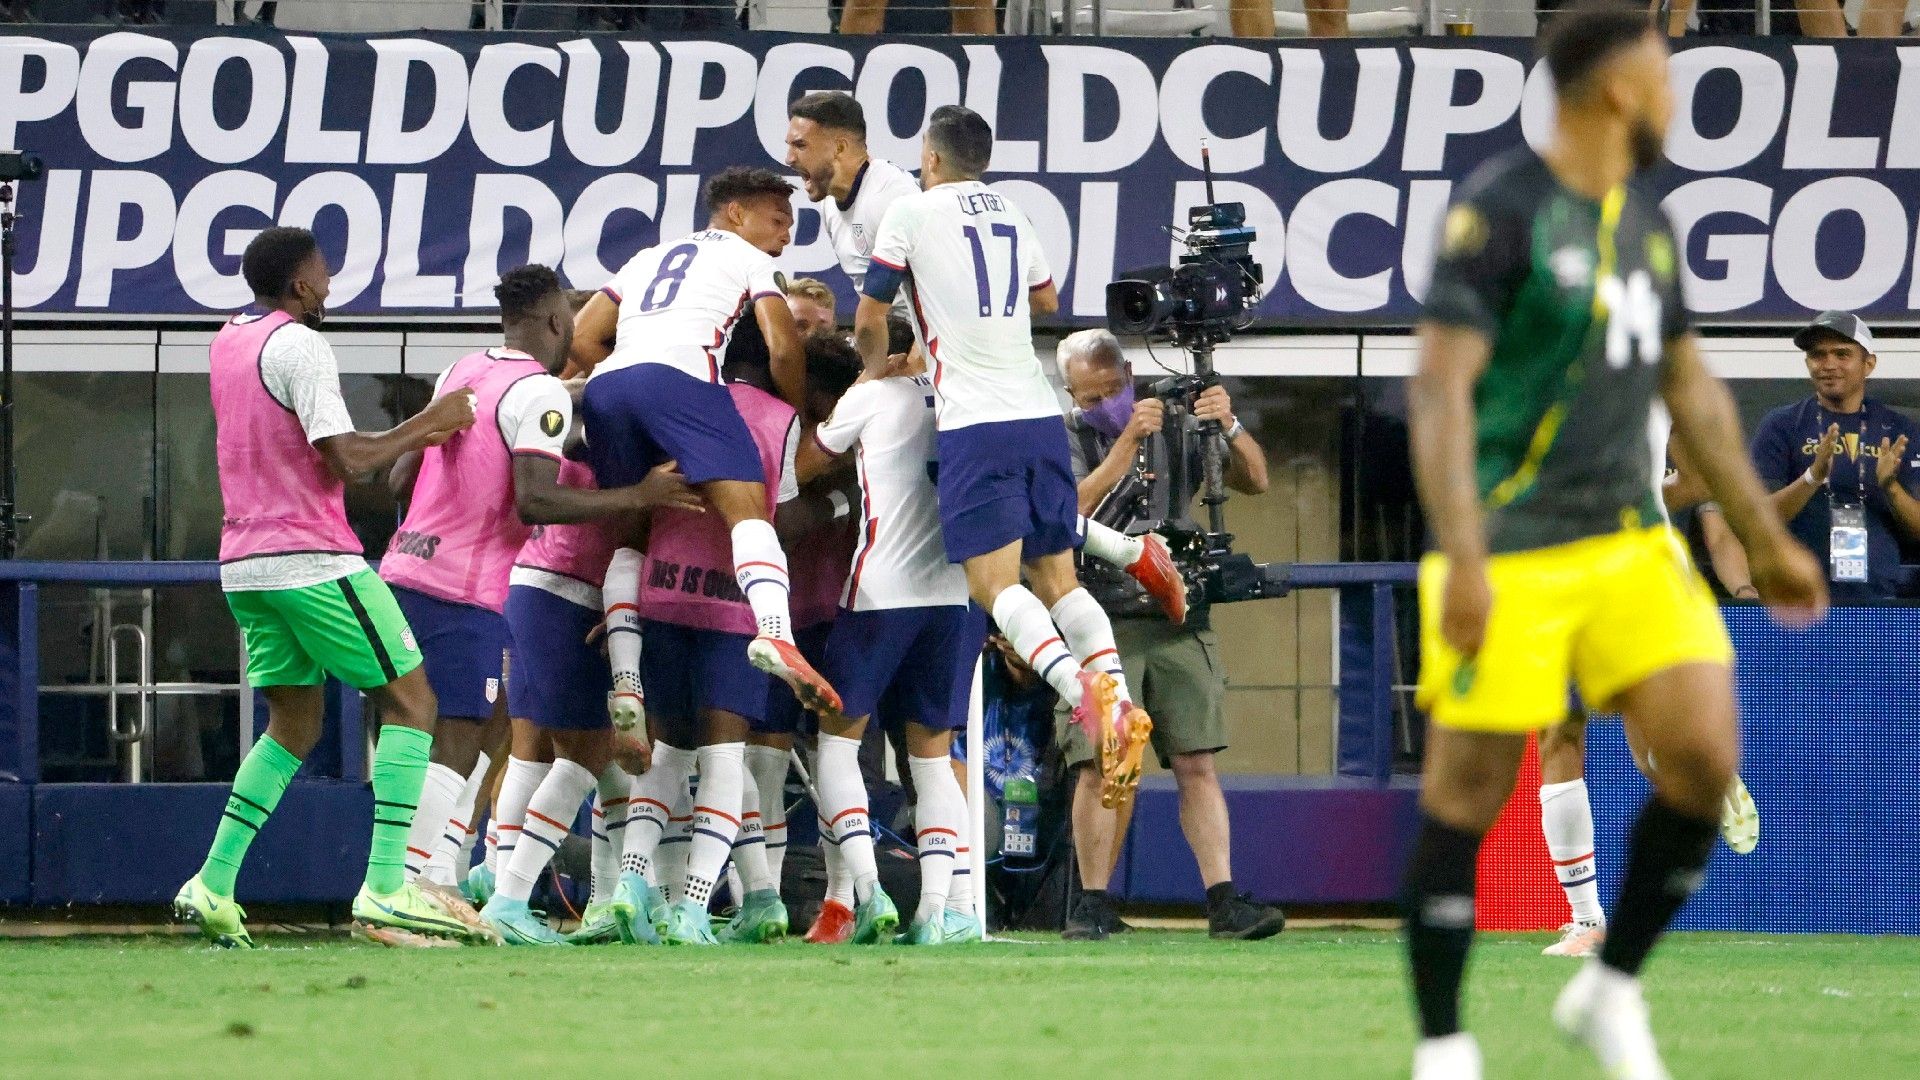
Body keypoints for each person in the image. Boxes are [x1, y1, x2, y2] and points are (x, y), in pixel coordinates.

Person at [1403, 6, 1826, 1078]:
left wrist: (1765, 534)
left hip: (1633, 542)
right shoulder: (1499, 210)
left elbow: (1691, 384)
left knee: (1702, 754)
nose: (1678, 98)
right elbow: (1440, 393)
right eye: (1666, 77)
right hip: (1510, 547)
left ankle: (1610, 984)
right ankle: (1446, 1047)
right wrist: (1461, 548)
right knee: (1465, 791)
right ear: (1614, 92)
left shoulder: (1644, 218)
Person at [172, 226, 481, 949]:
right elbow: (349, 460)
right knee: (414, 701)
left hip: (244, 564)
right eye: (325, 273)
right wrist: (429, 424)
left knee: (295, 726)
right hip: (310, 558)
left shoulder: (228, 340)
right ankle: (385, 887)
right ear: (301, 285)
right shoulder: (302, 344)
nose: (332, 284)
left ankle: (213, 882)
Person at [852, 105, 1153, 812]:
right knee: (1058, 575)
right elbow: (1045, 298)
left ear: (930, 157)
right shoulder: (1016, 213)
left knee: (993, 585)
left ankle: (1092, 704)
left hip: (977, 423)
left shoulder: (912, 214)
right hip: (1038, 413)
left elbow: (869, 316)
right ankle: (1114, 689)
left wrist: (875, 368)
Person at [568, 166, 839, 719]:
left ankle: (625, 679)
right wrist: (788, 410)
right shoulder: (752, 260)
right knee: (749, 515)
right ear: (736, 214)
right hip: (683, 378)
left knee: (636, 525)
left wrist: (627, 375)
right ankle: (775, 633)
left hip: (609, 388)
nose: (786, 234)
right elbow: (783, 348)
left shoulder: (647, 256)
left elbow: (580, 335)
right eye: (779, 220)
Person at [1052, 329, 1286, 943]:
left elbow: (1257, 480)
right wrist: (1125, 443)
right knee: (1107, 762)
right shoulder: (1063, 434)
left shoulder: (1177, 424)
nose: (1103, 402)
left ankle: (1223, 900)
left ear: (1130, 374)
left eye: (1113, 389)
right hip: (1099, 617)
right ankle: (1093, 903)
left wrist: (1227, 423)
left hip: (1178, 613)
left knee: (1196, 762)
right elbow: (1063, 509)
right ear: (1070, 392)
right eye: (1088, 395)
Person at [793, 332, 981, 945]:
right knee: (931, 759)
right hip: (951, 595)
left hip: (880, 593)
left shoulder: (871, 395)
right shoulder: (961, 395)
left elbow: (803, 468)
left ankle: (869, 895)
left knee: (838, 747)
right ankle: (938, 914)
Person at [612, 375, 804, 946]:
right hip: (734, 603)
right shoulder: (782, 416)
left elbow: (639, 502)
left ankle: (629, 882)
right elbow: (780, 515)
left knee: (667, 751)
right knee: (723, 760)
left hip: (664, 591)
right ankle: (695, 907)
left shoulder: (668, 396)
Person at [1749, 311, 1920, 605]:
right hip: (1796, 598)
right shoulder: (1782, 425)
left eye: (1842, 354)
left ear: (1869, 364)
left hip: (1879, 600)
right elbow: (1757, 521)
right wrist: (1811, 477)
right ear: (1807, 363)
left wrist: (1890, 487)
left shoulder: (1899, 430)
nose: (1828, 365)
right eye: (1818, 355)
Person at [785, 92, 922, 297]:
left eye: (800, 145)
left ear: (839, 147)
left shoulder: (893, 198)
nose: (789, 158)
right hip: (885, 327)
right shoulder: (829, 203)